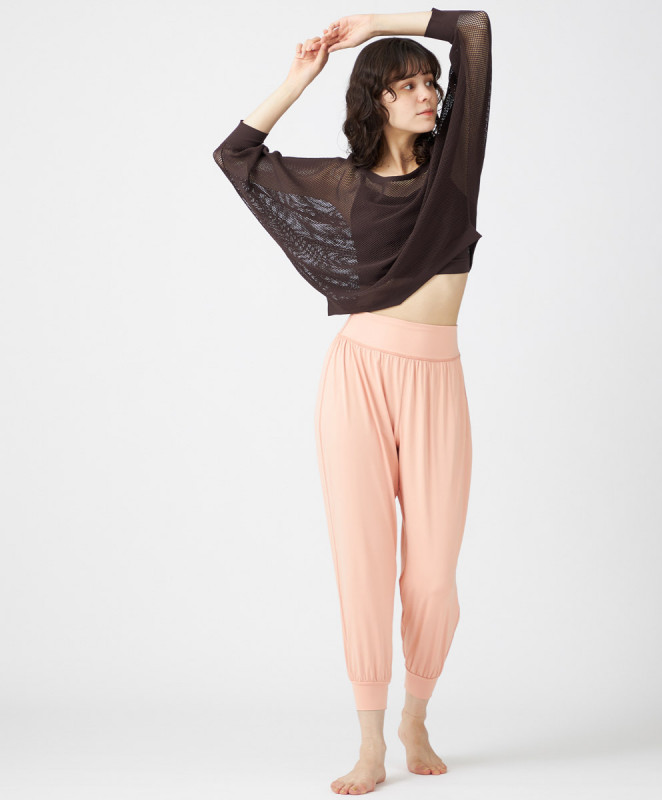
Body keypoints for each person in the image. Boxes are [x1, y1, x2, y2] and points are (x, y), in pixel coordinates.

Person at [213, 8, 492, 794]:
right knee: (364, 561)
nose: (428, 93)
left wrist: (376, 23)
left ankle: (416, 714)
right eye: (407, 85)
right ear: (376, 100)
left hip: (436, 381)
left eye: (429, 81)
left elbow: (473, 30)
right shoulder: (342, 186)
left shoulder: (454, 168)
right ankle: (371, 743)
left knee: (432, 576)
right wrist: (301, 76)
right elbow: (235, 155)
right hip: (358, 375)